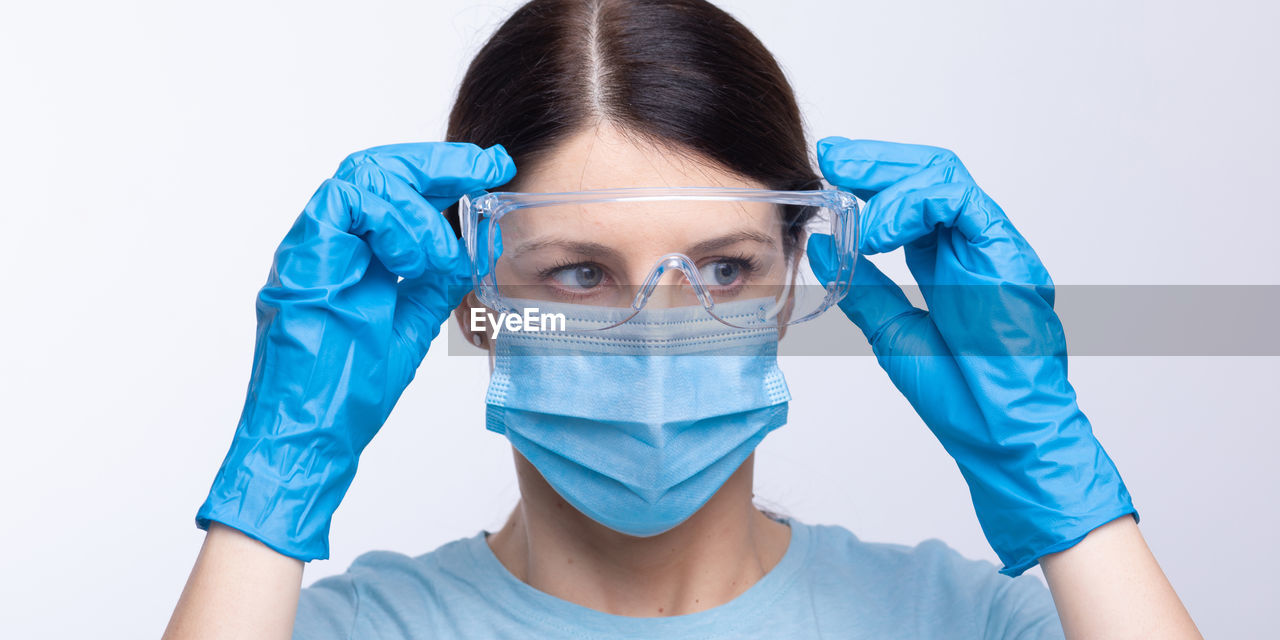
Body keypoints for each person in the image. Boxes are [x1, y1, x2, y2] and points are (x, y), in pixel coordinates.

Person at [163, 1, 1201, 638]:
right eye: (576, 273)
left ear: (797, 273)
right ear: (475, 295)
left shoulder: (971, 623)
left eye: (722, 267)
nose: (660, 333)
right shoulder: (350, 631)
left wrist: (1057, 480)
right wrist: (274, 481)